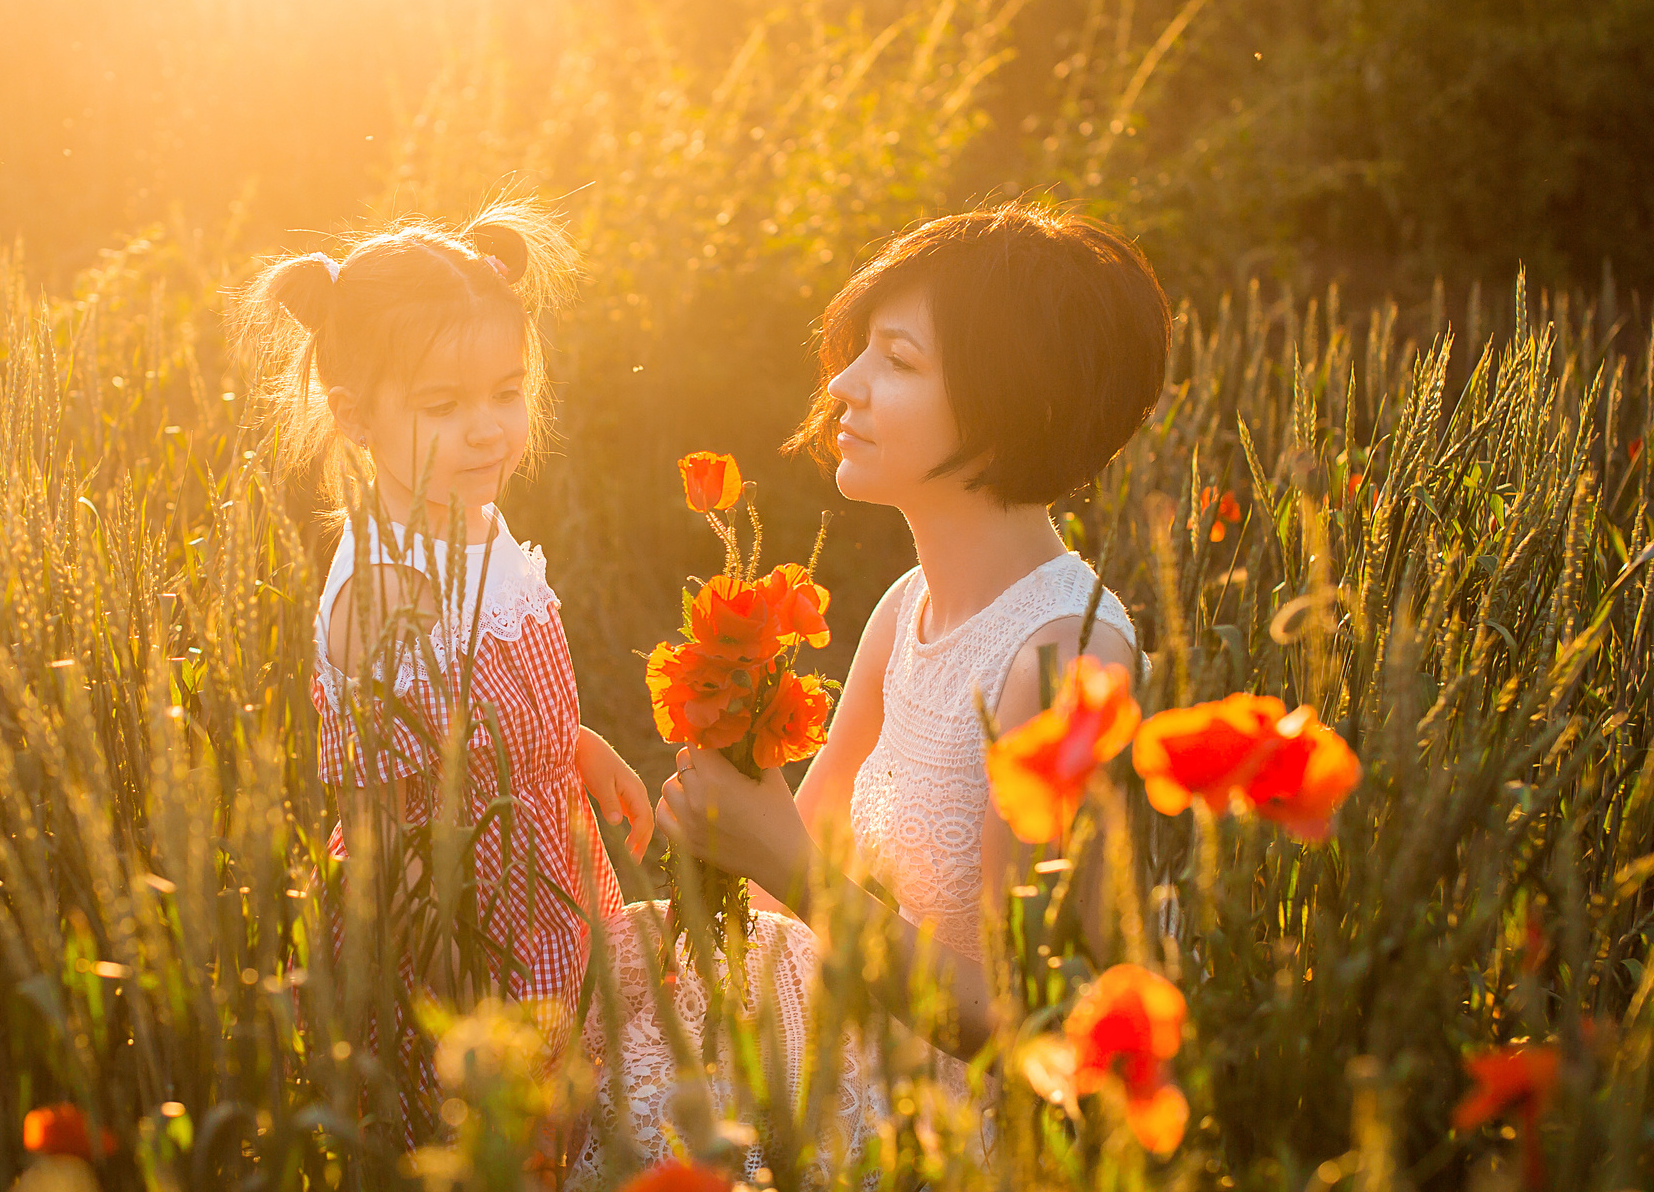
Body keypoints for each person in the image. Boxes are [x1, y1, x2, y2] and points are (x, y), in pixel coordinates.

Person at [655, 200, 1171, 1075]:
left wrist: (780, 859)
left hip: (941, 1127)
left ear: (1012, 403)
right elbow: (796, 851)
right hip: (841, 1048)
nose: (844, 384)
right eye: (858, 350)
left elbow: (1030, 1019)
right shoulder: (907, 608)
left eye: (895, 360)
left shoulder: (1066, 660)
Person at [242, 201, 649, 1123]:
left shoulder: (476, 522)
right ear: (355, 417)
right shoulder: (383, 594)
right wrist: (463, 1001)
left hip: (551, 873)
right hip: (468, 933)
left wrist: (574, 747)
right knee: (527, 1147)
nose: (487, 430)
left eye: (506, 392)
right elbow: (387, 826)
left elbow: (495, 699)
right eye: (443, 406)